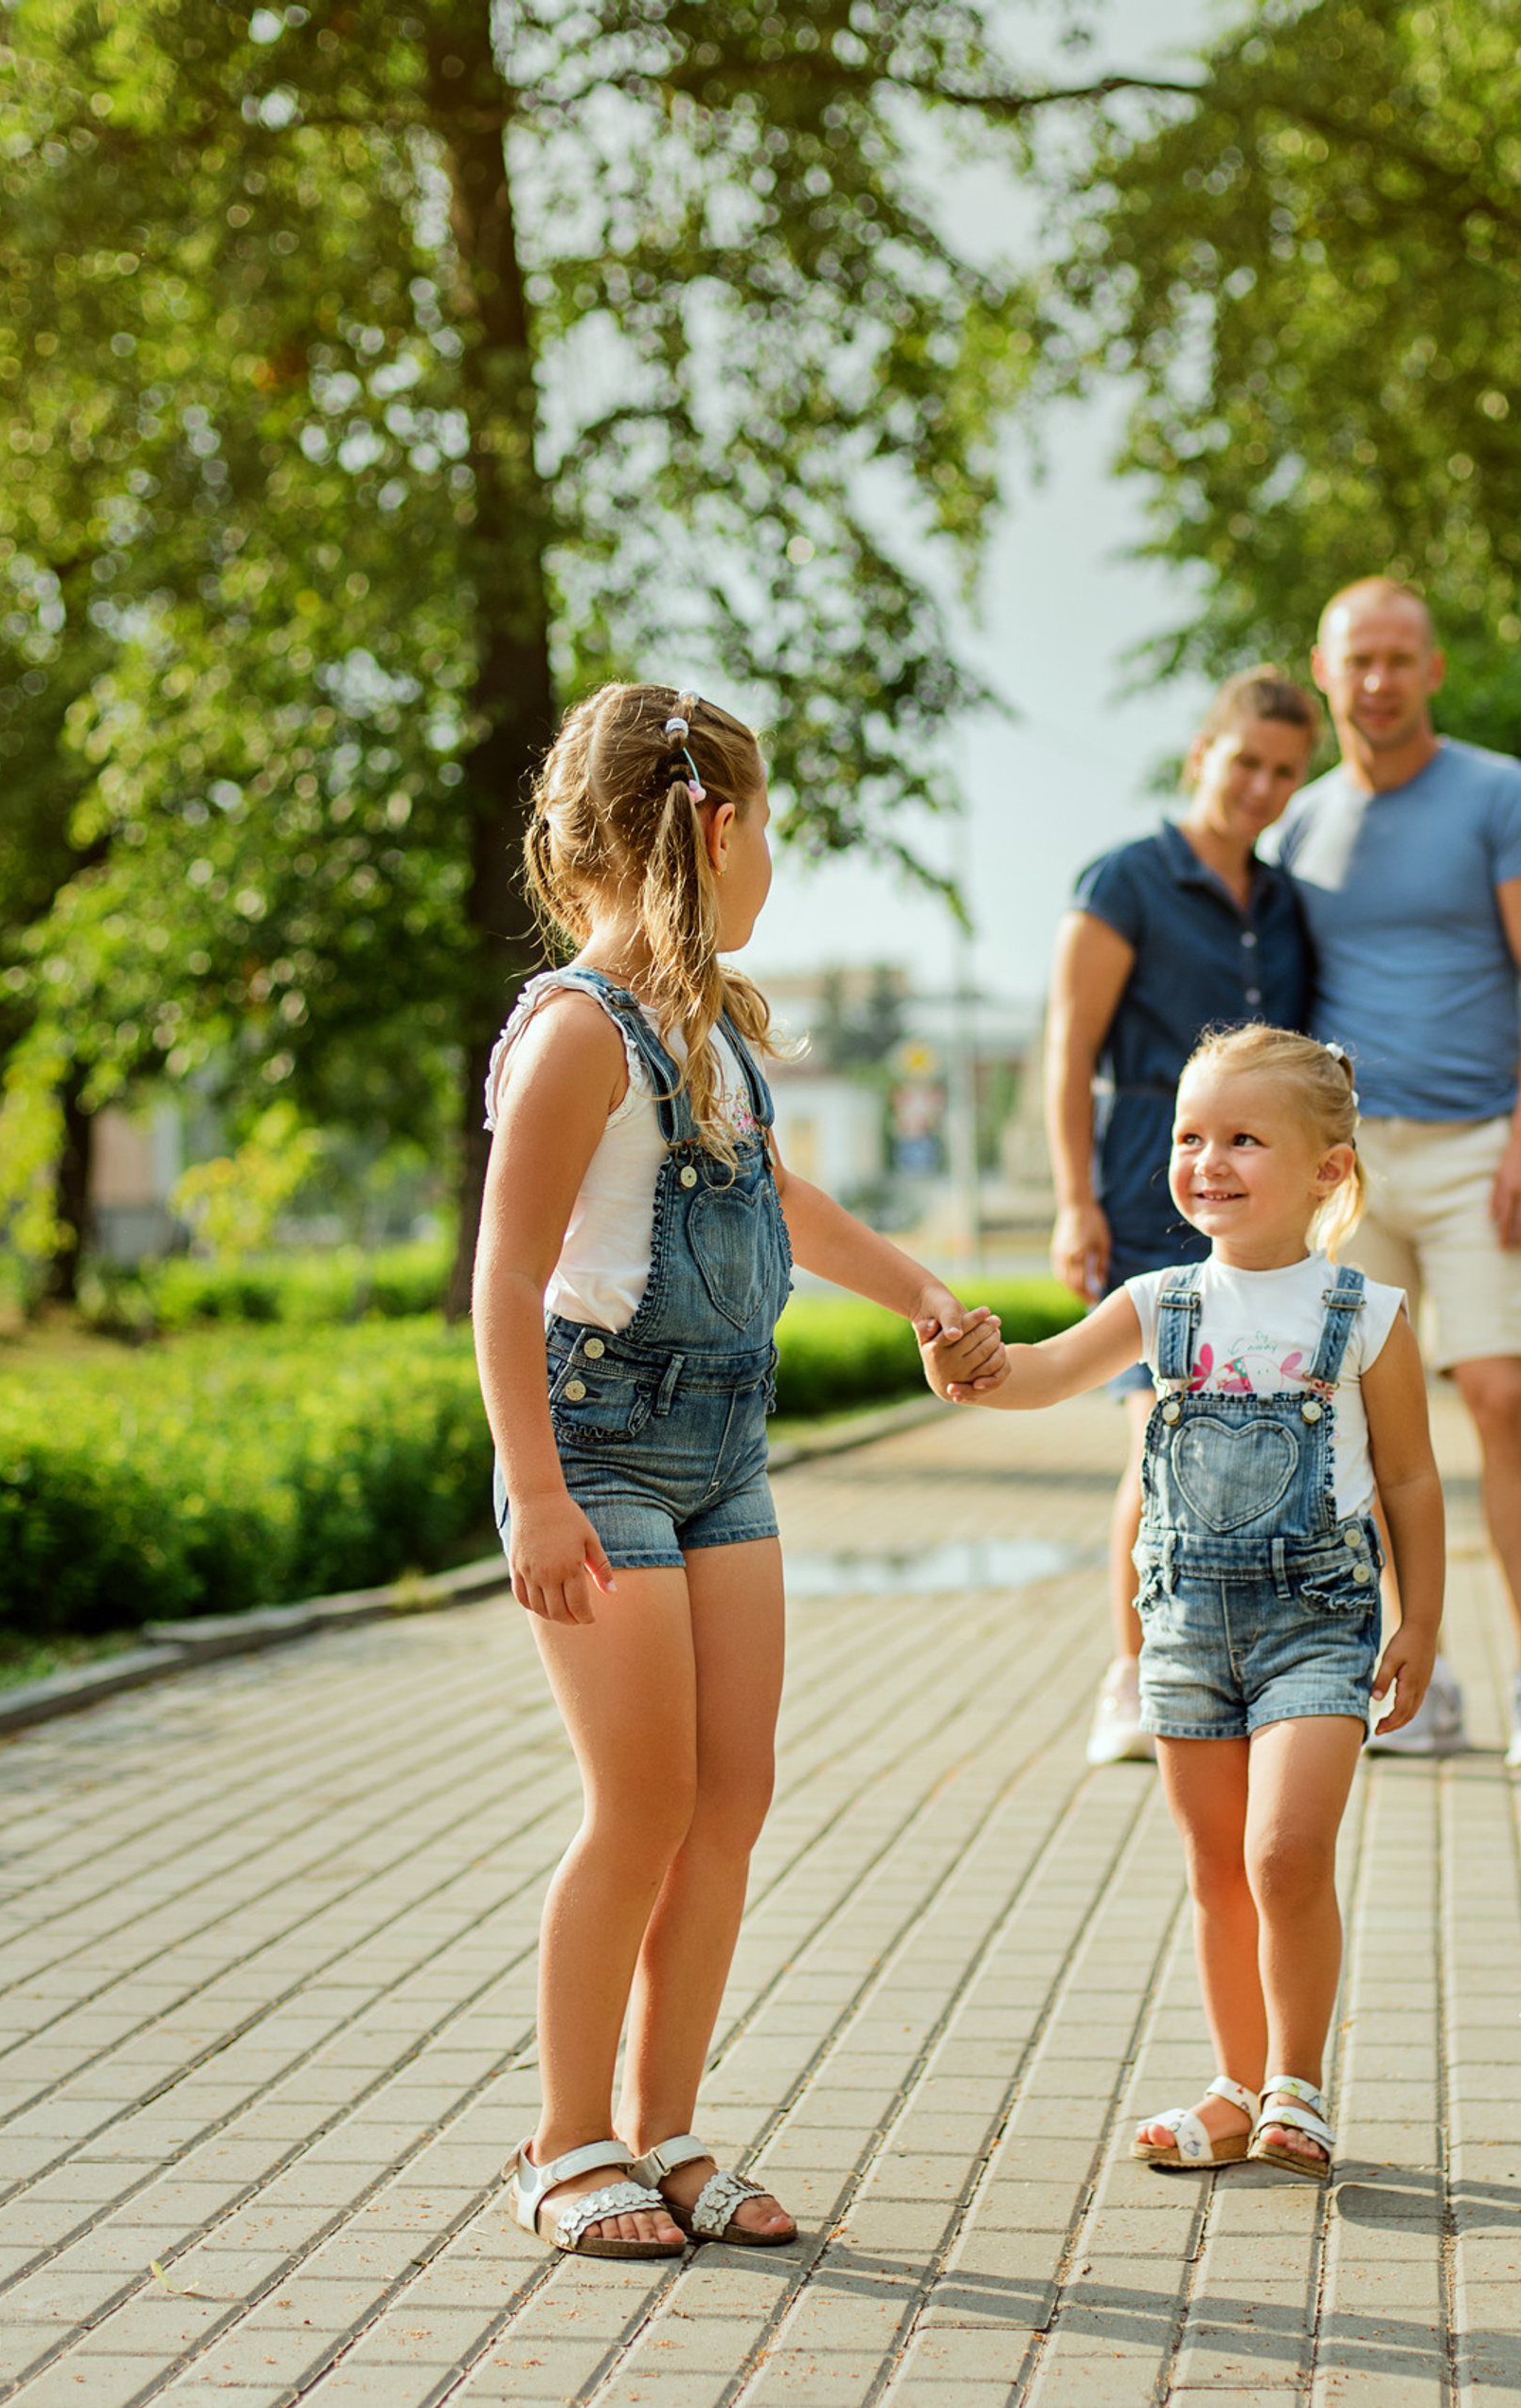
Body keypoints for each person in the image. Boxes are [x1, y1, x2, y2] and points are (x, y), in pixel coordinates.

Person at [474, 683, 1004, 2259]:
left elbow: (794, 1209)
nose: (773, 858)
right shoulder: (578, 1033)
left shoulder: (713, 1039)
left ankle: (671, 2128)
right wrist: (536, 1493)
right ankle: (569, 2141)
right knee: (637, 1803)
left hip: (722, 1455)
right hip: (602, 1451)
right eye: (766, 826)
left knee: (731, 1797)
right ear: (713, 829)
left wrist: (922, 1292)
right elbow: (503, 1280)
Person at [928, 1025, 1443, 2183]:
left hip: (1319, 1623)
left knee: (1283, 1852)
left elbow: (1410, 1477)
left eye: (1243, 1138)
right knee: (1217, 1867)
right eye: (1189, 1136)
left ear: (1327, 1169)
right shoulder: (1158, 1301)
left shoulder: (1367, 1316)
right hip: (1184, 1632)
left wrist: (1423, 1620)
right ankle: (1233, 2083)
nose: (1207, 1160)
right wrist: (962, 1366)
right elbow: (1038, 1374)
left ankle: (1297, 2087)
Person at [1273, 577, 1521, 1769]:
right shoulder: (1300, 824)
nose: (1380, 679)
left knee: (1502, 1393)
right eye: (1360, 660)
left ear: (1433, 669)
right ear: (1325, 667)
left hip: (1478, 1149)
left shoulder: (1502, 796)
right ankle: (1428, 1675)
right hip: (1351, 1164)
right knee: (1374, 1419)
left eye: (1402, 657)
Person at [1047, 669, 1317, 1765]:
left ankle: (1242, 1669)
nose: (1261, 786)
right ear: (1200, 752)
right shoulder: (1125, 881)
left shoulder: (1286, 902)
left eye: (1285, 773)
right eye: (1244, 760)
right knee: (1155, 1440)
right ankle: (1129, 1675)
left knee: (1248, 1439)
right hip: (1148, 1187)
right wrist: (1074, 1202)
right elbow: (1068, 1051)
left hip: (1264, 1201)